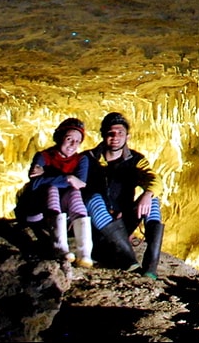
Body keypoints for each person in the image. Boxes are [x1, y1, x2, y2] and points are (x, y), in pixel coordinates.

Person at [82, 111, 165, 279]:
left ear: (127, 136)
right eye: (110, 133)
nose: (115, 137)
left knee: (153, 199)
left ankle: (150, 266)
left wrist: (147, 194)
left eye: (120, 133)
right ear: (103, 135)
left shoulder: (135, 160)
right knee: (93, 198)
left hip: (123, 221)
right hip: (97, 226)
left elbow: (155, 180)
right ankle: (129, 261)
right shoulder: (88, 159)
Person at [14, 117, 94, 267]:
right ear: (59, 137)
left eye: (77, 141)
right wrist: (68, 178)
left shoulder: (81, 159)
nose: (73, 144)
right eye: (69, 139)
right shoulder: (44, 156)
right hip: (37, 209)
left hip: (65, 204)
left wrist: (49, 176)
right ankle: (60, 248)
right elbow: (35, 182)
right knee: (52, 190)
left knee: (74, 194)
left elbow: (80, 184)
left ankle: (85, 254)